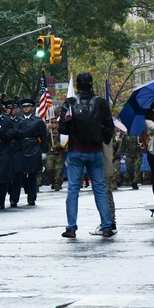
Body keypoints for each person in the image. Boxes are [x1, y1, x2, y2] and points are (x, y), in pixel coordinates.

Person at [57, 72, 114, 238]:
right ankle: (106, 226)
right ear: (91, 84)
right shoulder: (100, 103)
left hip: (76, 150)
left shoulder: (70, 103)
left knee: (73, 189)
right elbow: (110, 126)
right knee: (100, 189)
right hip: (95, 150)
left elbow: (62, 129)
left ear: (77, 86)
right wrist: (101, 137)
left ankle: (71, 227)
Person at [13, 97, 49, 207]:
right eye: (24, 106)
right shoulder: (18, 120)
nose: (26, 108)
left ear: (32, 108)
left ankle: (31, 198)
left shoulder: (38, 121)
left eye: (28, 106)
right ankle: (14, 199)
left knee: (32, 174)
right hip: (20, 147)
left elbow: (44, 137)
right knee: (18, 174)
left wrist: (44, 151)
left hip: (34, 147)